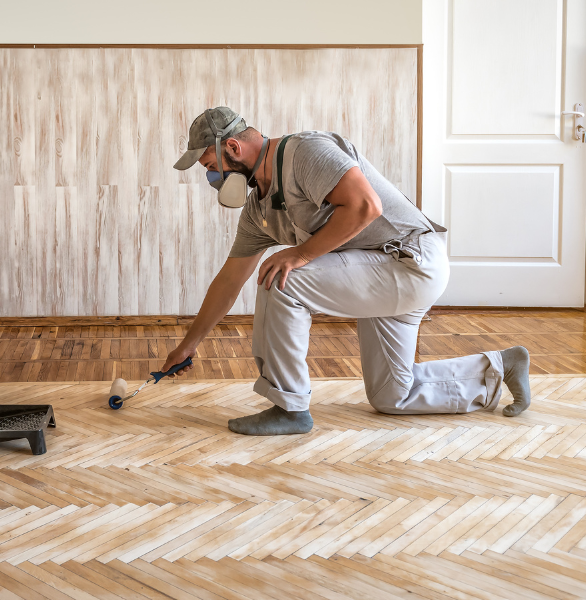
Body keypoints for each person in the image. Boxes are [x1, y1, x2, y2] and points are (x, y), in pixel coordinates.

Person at [160, 107, 531, 436]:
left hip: (409, 261)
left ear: (233, 149)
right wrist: (187, 345)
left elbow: (364, 206)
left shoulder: (305, 152)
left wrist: (300, 254)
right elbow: (229, 281)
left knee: (281, 279)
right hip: (379, 273)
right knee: (392, 395)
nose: (211, 179)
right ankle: (499, 368)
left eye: (210, 167)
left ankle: (290, 409)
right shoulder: (259, 211)